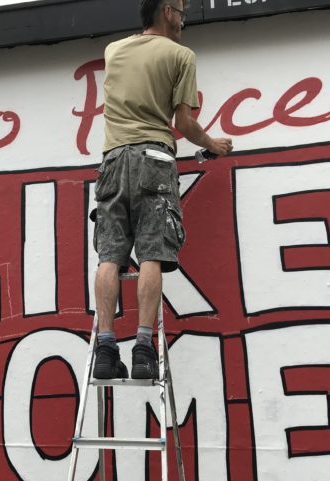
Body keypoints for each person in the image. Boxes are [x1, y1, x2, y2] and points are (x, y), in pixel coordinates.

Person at [92, 0, 233, 379]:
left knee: (110, 254)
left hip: (112, 159)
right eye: (182, 10)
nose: (184, 18)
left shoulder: (113, 51)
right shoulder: (180, 55)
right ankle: (141, 349)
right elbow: (184, 123)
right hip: (154, 157)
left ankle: (105, 348)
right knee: (152, 252)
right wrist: (214, 144)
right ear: (167, 11)